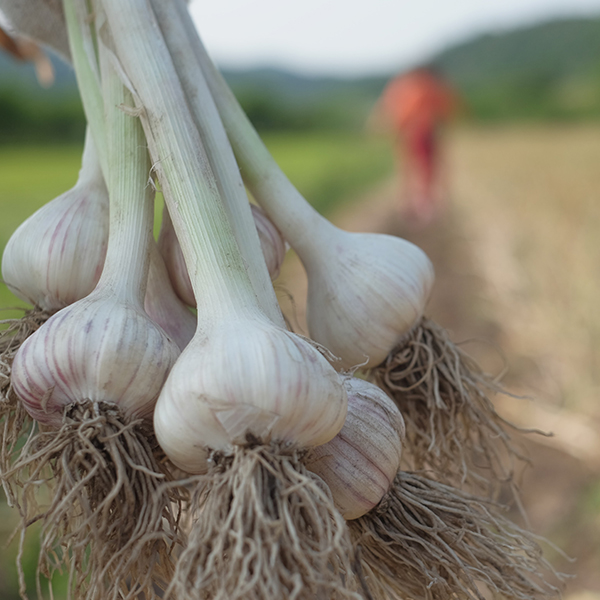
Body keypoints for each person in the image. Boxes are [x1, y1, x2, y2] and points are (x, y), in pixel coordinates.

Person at [372, 66, 459, 225]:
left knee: (413, 168)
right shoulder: (424, 87)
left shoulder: (403, 86)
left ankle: (415, 205)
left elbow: (390, 110)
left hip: (411, 131)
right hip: (421, 131)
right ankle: (422, 206)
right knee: (425, 168)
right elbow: (445, 108)